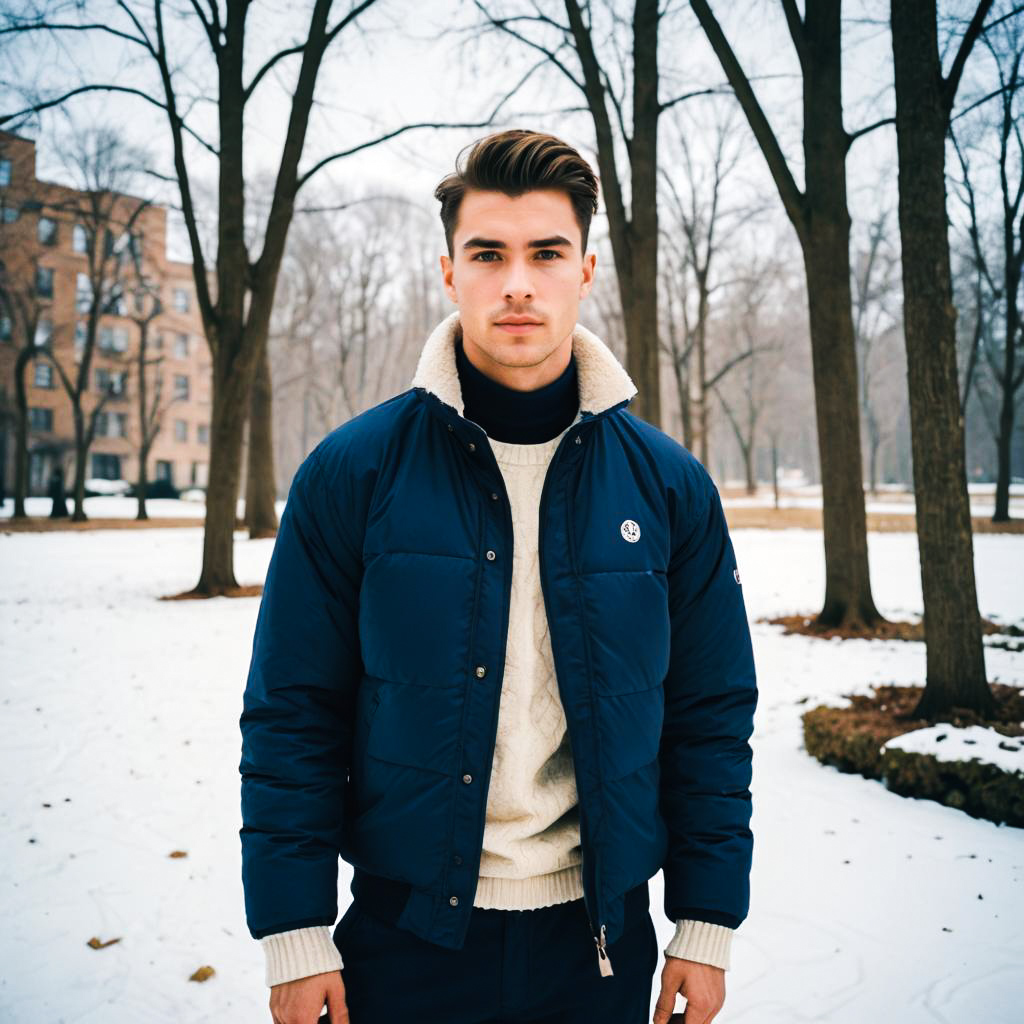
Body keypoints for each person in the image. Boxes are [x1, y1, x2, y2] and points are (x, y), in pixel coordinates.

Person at [239, 128, 758, 1024]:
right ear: (450, 272)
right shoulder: (351, 474)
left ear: (586, 270)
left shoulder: (670, 487)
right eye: (488, 253)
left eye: (546, 253)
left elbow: (711, 715)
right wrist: (295, 933)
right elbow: (294, 713)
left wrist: (704, 922)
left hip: (600, 944)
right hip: (403, 946)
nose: (518, 282)